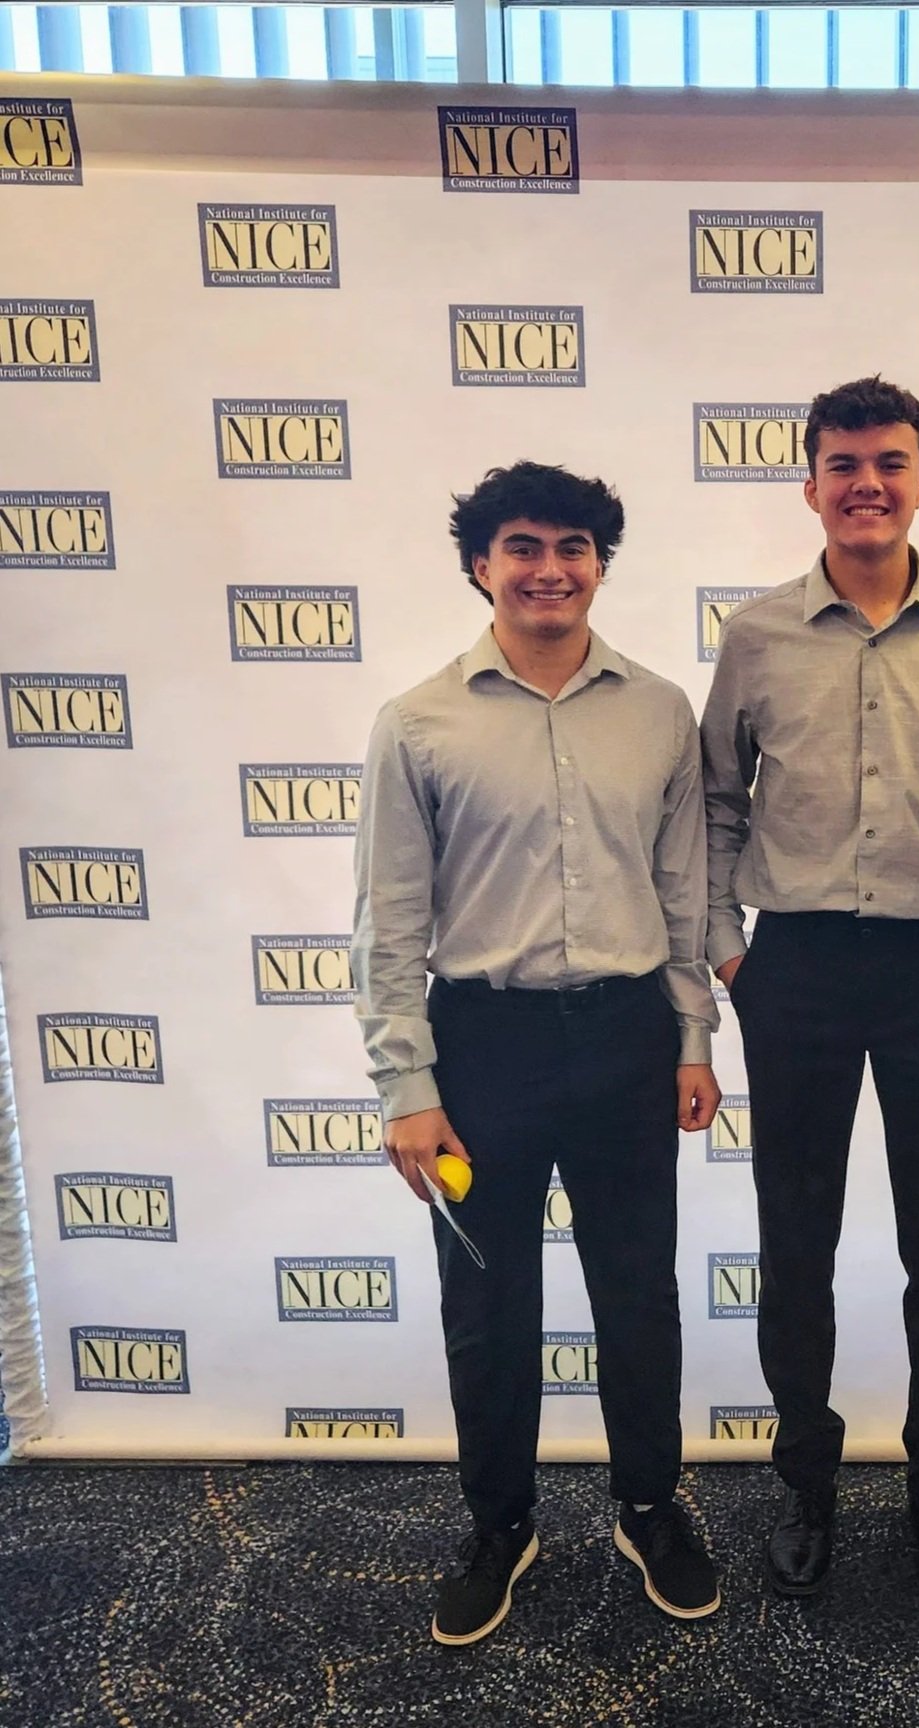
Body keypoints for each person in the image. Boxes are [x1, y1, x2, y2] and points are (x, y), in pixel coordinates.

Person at [351, 461, 723, 1647]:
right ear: (481, 565)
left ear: (601, 563)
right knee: (487, 1302)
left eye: (572, 545)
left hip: (623, 1040)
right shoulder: (418, 722)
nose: (548, 567)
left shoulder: (661, 710)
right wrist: (408, 1086)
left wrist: (691, 1039)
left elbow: (684, 891)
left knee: (638, 1292)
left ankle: (649, 1504)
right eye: (522, 545)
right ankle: (498, 1522)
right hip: (482, 1052)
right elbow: (389, 922)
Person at [701, 375, 919, 1606]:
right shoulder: (757, 634)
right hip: (795, 972)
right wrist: (732, 952)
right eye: (843, 464)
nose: (867, 485)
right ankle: (805, 1479)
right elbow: (718, 802)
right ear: (811, 484)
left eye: (890, 461)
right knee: (798, 1239)